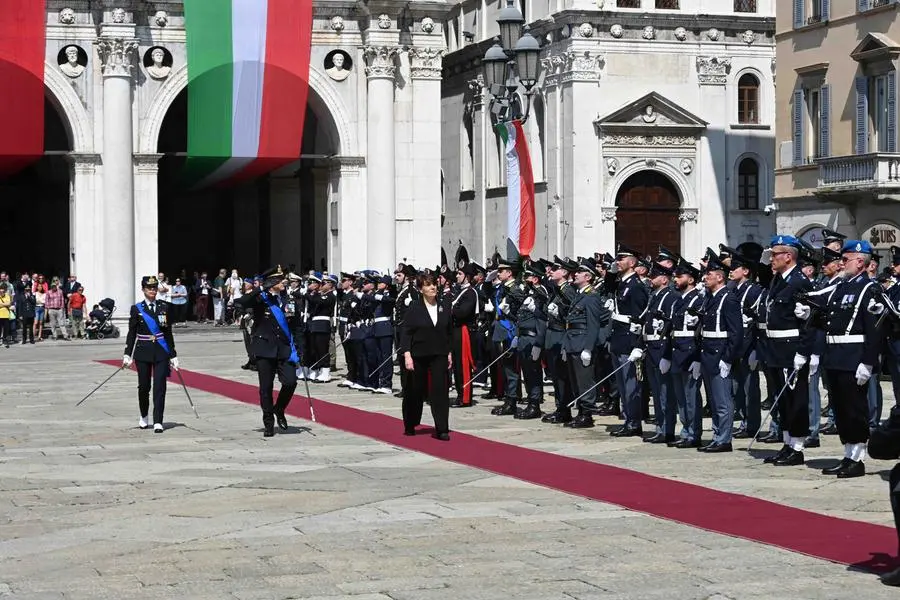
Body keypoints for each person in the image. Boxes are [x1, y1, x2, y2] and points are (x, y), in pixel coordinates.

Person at [234, 266, 298, 437]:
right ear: (272, 283)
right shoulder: (261, 299)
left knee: (291, 381)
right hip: (264, 348)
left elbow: (297, 325)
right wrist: (260, 288)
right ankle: (268, 421)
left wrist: (300, 350)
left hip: (284, 348)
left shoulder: (287, 298)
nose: (284, 282)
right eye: (279, 280)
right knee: (266, 388)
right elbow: (241, 302)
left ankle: (279, 409)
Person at [399, 272, 453, 441]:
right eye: (428, 285)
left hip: (439, 353)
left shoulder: (444, 306)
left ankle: (442, 428)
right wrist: (407, 355)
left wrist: (449, 352)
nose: (433, 288)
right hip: (418, 354)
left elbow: (448, 331)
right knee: (415, 390)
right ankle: (410, 422)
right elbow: (406, 333)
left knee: (440, 390)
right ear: (421, 289)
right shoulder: (414, 308)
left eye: (434, 284)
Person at [123, 275, 178, 433]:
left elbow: (168, 333)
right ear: (143, 290)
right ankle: (144, 415)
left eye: (154, 288)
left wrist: (173, 355)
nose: (152, 291)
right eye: (149, 288)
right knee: (144, 387)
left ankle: (158, 421)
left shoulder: (163, 307)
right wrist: (127, 354)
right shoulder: (137, 309)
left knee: (160, 386)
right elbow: (132, 334)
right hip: (143, 351)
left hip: (161, 351)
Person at [0, 283, 12, 348]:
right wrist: (5, 304)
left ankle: (5, 342)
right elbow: (7, 304)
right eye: (1, 291)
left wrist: (1, 304)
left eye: (3, 291)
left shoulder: (7, 295)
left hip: (6, 315)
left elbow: (9, 304)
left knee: (6, 330)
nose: (2, 292)